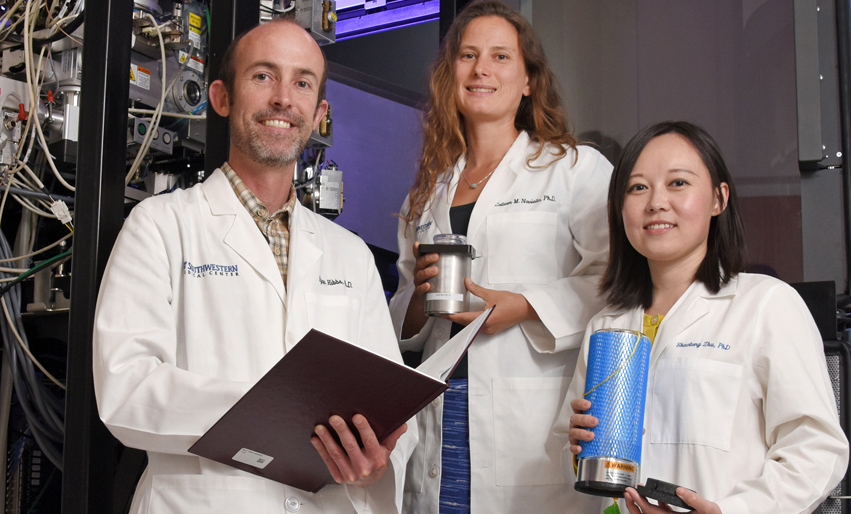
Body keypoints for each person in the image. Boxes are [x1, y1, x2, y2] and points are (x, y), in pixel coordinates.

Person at [92, 19, 415, 514]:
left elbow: (388, 406)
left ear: (319, 113)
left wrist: (375, 462)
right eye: (263, 76)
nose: (284, 98)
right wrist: (276, 414)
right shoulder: (158, 226)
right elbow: (126, 388)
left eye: (303, 83)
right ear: (221, 98)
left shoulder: (349, 253)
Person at [388, 1, 611, 512]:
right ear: (451, 75)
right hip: (438, 414)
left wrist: (524, 307)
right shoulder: (425, 191)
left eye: (500, 57)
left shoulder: (574, 170)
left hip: (527, 419)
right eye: (467, 55)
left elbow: (616, 284)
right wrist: (420, 300)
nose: (481, 69)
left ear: (529, 80)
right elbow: (401, 314)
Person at [563, 121, 849, 514]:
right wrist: (577, 447)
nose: (656, 202)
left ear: (719, 198)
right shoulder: (607, 326)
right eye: (637, 187)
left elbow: (816, 447)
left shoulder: (766, 304)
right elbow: (572, 463)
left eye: (678, 183)